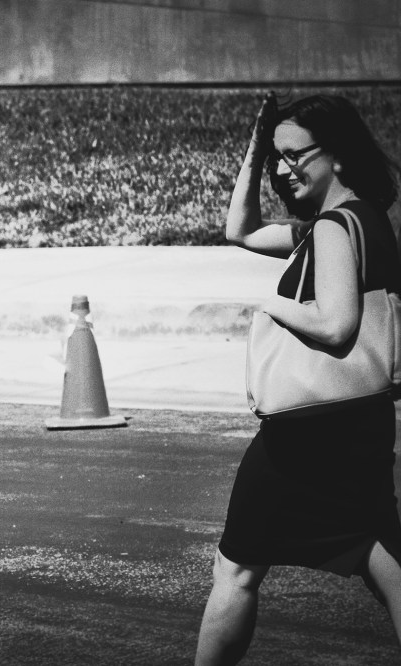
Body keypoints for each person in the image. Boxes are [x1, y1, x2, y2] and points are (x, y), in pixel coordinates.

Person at [196, 93, 401, 664]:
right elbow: (240, 230)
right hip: (361, 418)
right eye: (274, 162)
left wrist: (271, 306)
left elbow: (336, 327)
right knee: (380, 550)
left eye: (293, 157)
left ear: (335, 155)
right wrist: (257, 147)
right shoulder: (360, 220)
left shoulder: (334, 228)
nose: (282, 173)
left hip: (306, 433)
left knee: (236, 566)